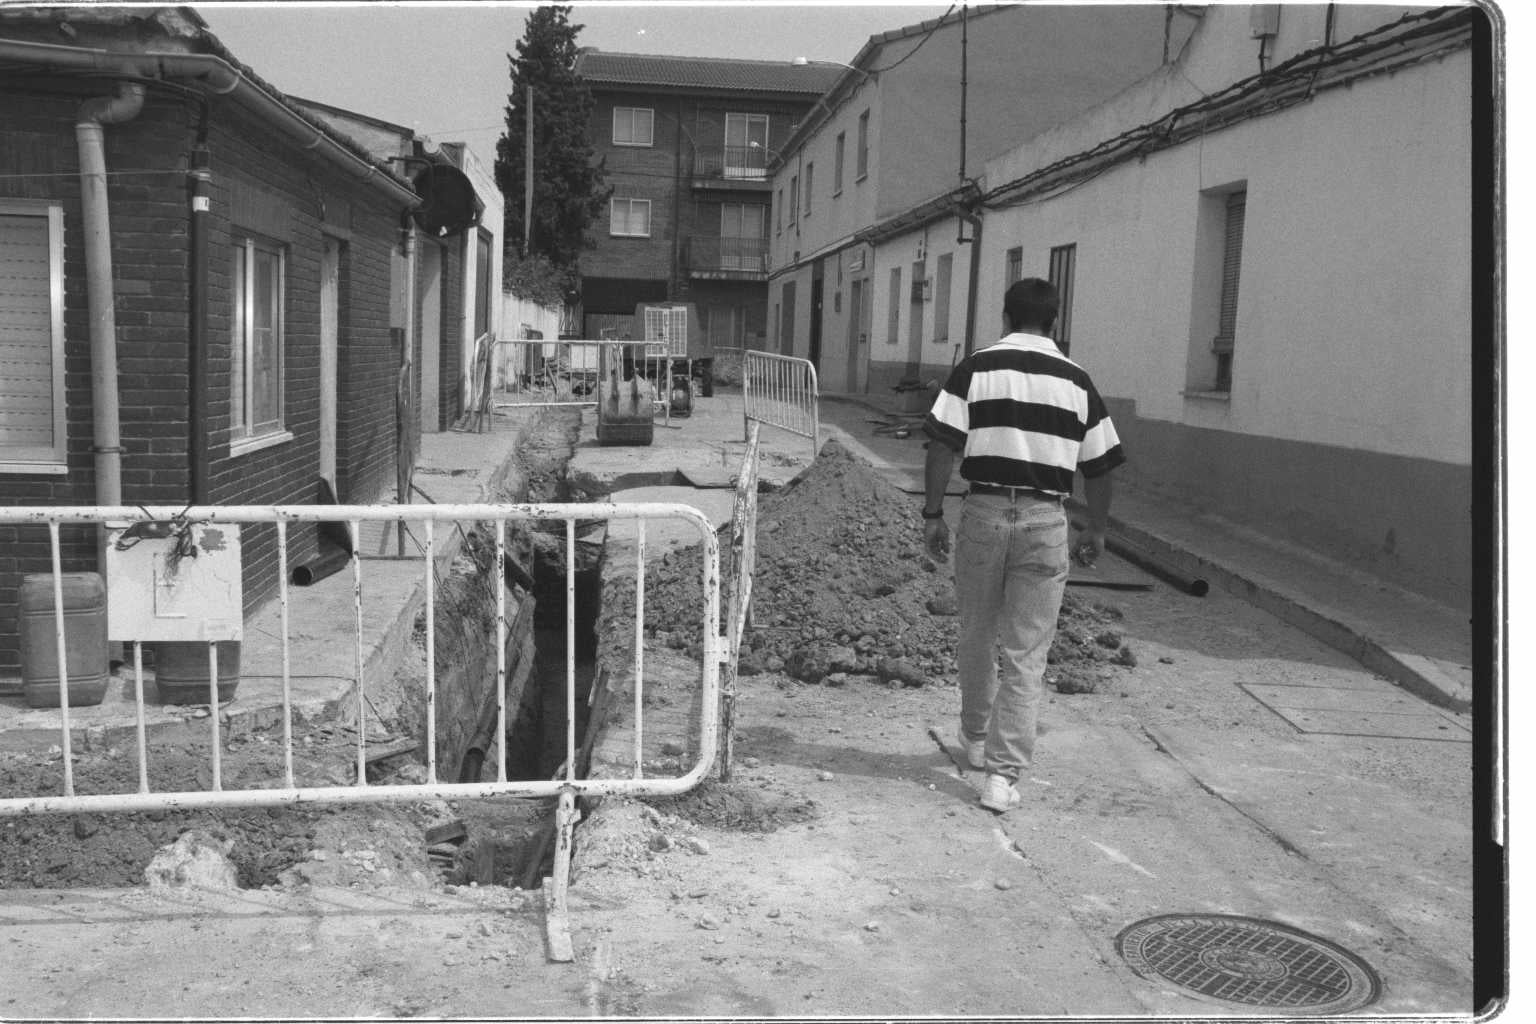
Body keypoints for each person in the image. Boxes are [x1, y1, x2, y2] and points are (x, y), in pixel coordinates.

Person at [921, 277, 1125, 813]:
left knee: (977, 633)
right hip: (1044, 519)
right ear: (1055, 322)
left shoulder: (977, 368)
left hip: (985, 512)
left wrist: (933, 513)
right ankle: (1002, 776)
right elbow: (1102, 466)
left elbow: (941, 444)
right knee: (1026, 652)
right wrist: (1095, 529)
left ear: (1006, 316)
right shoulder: (1078, 381)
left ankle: (975, 739)